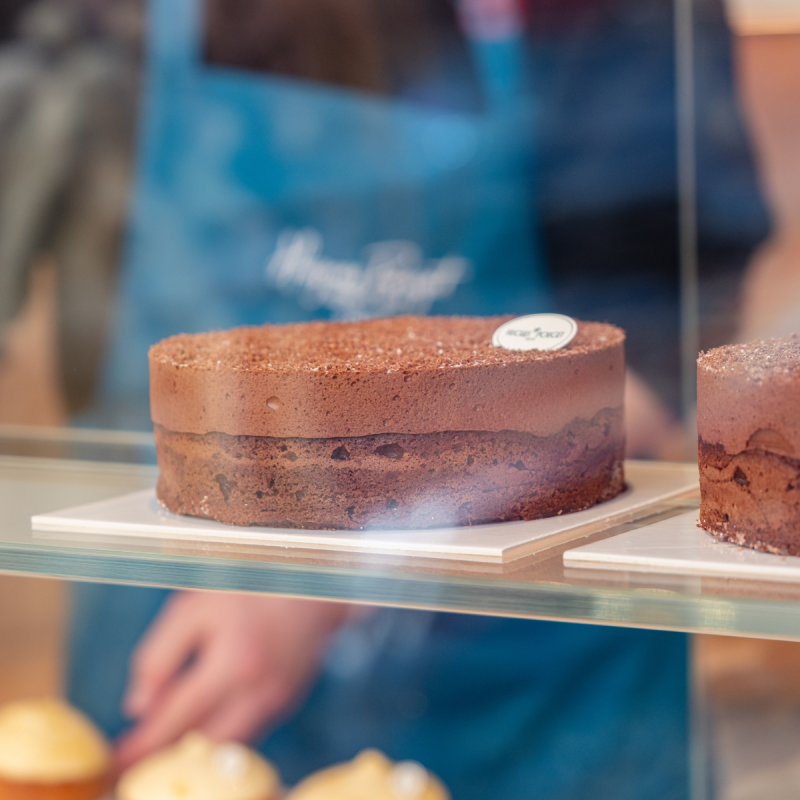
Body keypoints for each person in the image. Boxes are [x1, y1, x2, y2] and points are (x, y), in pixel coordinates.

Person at [64, 0, 768, 797]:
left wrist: (331, 571)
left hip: (522, 696)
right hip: (186, 638)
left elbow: (643, 380)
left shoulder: (624, 26)